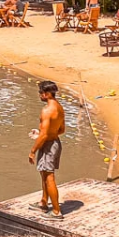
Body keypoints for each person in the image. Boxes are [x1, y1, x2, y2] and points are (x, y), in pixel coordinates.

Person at [28, 80, 66, 220]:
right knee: (44, 174)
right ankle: (44, 202)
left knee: (49, 177)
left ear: (46, 94)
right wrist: (42, 134)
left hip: (48, 145)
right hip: (55, 142)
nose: (39, 95)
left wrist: (33, 151)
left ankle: (56, 211)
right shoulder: (60, 108)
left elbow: (44, 135)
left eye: (41, 93)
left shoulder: (47, 110)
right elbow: (61, 130)